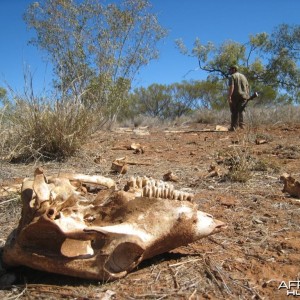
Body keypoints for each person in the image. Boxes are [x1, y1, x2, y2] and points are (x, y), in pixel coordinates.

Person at [227, 65, 249, 131]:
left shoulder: (232, 76)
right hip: (244, 96)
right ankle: (242, 126)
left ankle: (234, 127)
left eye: (230, 69)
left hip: (235, 96)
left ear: (234, 69)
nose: (229, 71)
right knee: (242, 111)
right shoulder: (244, 77)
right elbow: (247, 87)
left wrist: (229, 96)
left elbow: (232, 87)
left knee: (234, 111)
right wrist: (247, 95)